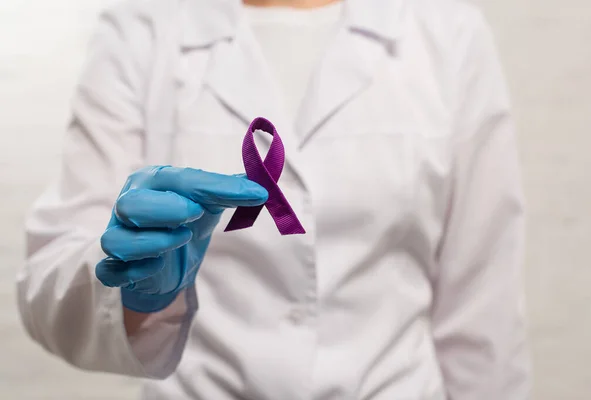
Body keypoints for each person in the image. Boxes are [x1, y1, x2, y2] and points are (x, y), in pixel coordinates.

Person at [16, 0, 532, 398]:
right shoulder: (144, 29)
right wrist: (131, 290)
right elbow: (45, 283)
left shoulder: (447, 33)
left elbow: (483, 313)